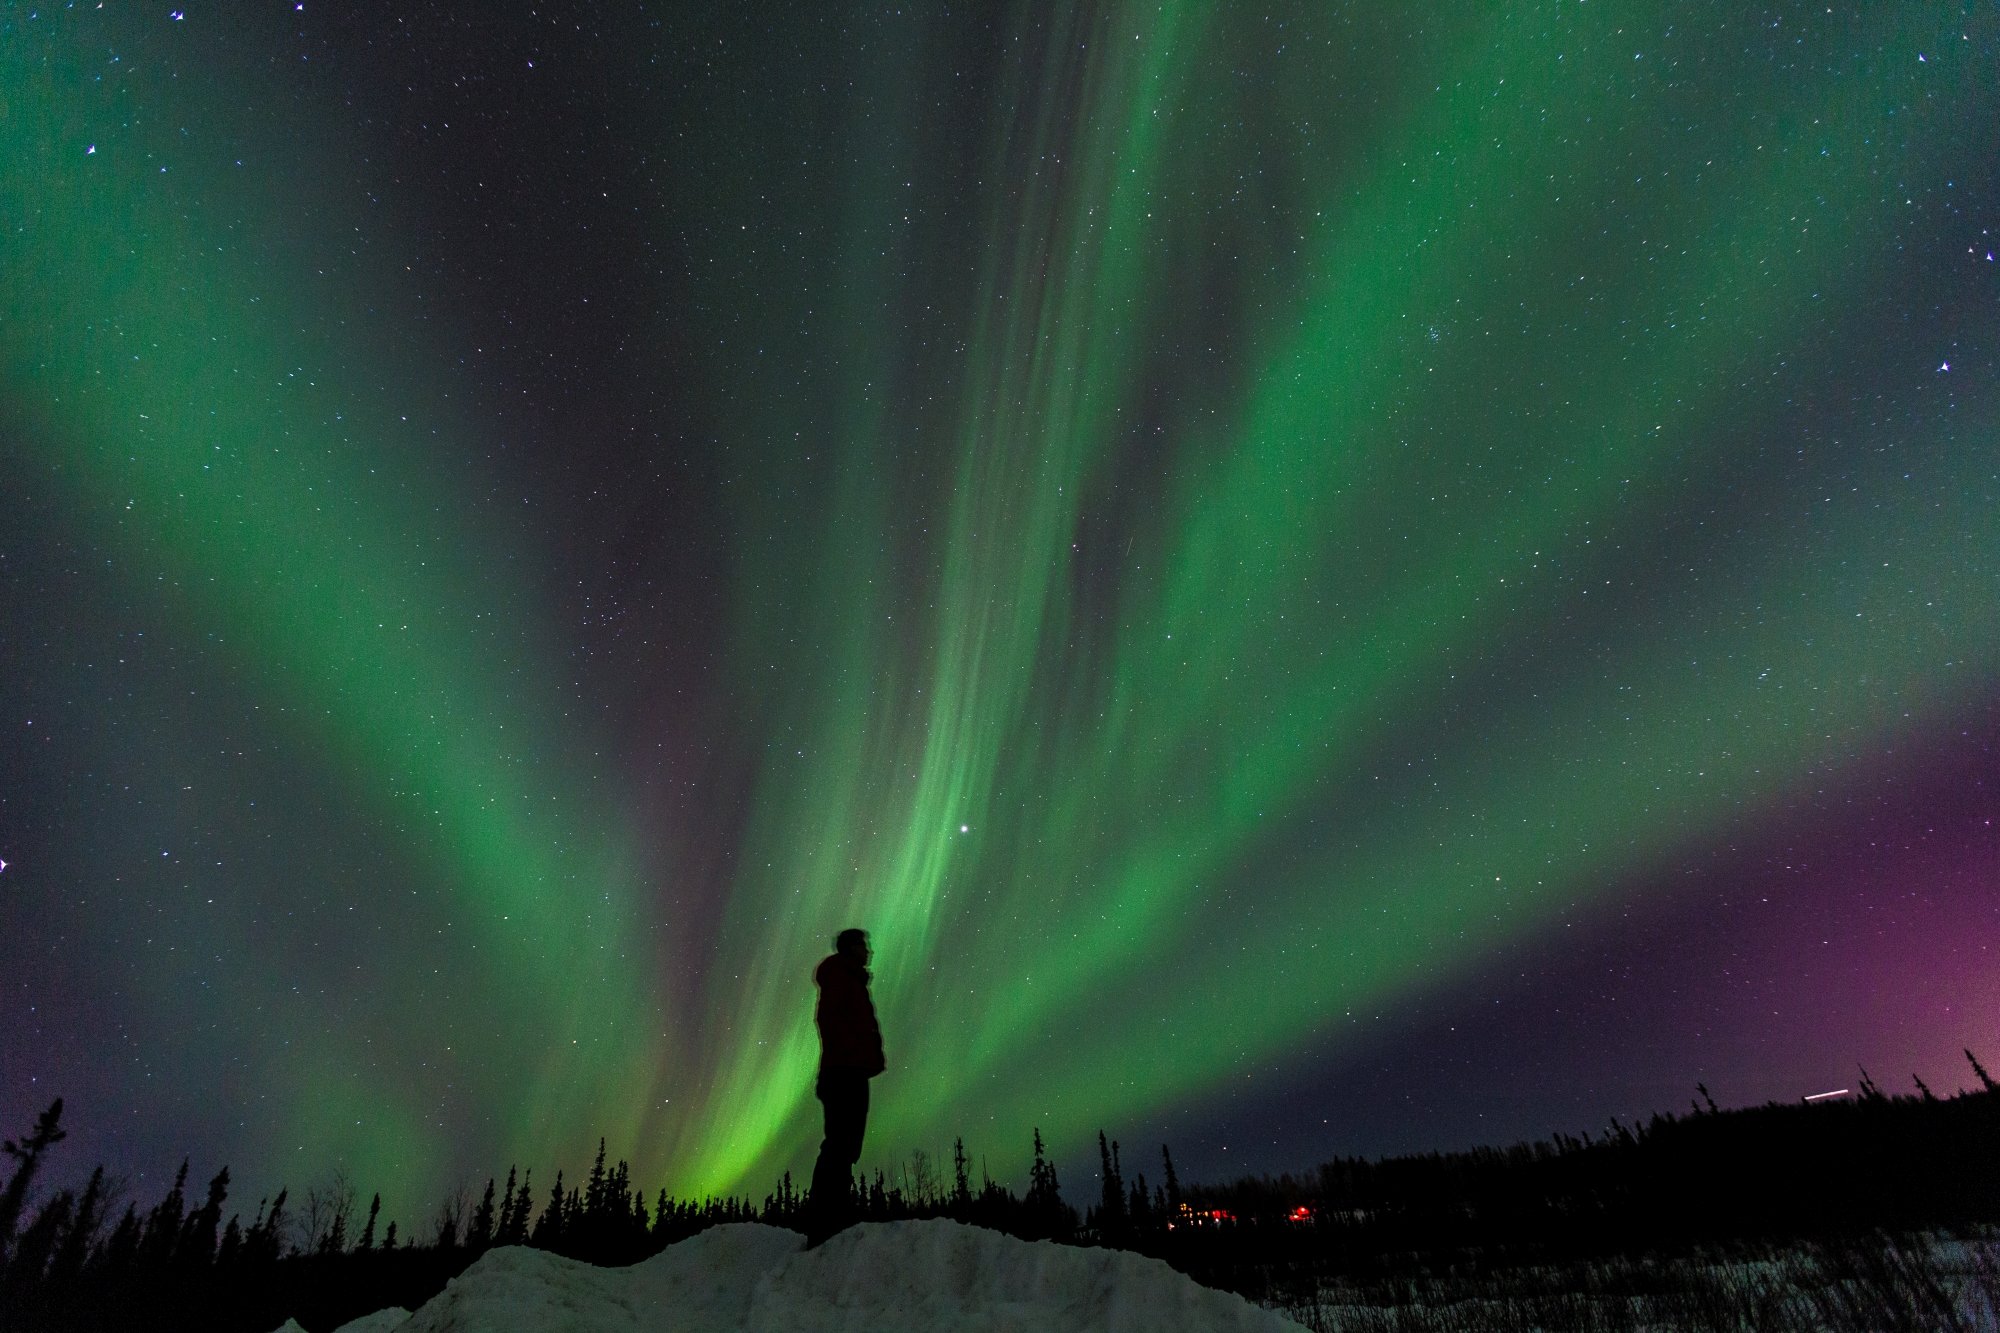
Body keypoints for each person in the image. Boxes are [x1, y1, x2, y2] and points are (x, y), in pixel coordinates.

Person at [805, 927, 884, 1246]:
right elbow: (833, 1022)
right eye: (864, 947)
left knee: (846, 1146)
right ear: (851, 949)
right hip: (843, 1073)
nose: (867, 953)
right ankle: (825, 1223)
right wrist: (854, 1056)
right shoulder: (841, 979)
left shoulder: (849, 980)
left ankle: (834, 1216)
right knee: (839, 1144)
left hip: (851, 1071)